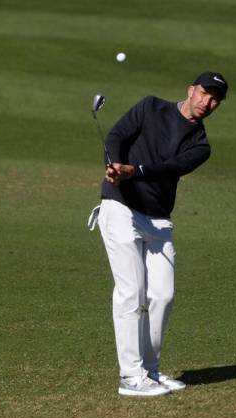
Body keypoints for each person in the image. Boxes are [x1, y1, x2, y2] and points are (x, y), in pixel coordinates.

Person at [95, 71, 228, 396]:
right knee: (131, 292)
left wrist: (134, 171)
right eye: (205, 94)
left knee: (163, 296)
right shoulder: (150, 107)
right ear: (191, 90)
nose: (207, 103)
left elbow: (170, 167)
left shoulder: (200, 145)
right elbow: (116, 135)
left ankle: (149, 372)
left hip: (158, 221)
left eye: (215, 100)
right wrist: (113, 162)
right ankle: (130, 377)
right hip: (120, 209)